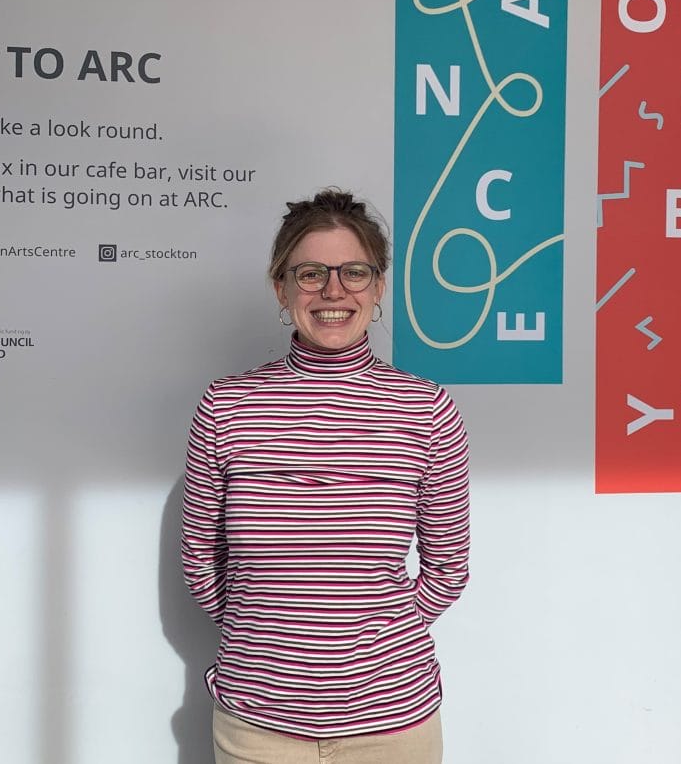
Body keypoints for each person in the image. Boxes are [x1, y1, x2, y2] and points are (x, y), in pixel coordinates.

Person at [182, 189, 470, 763]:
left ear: (378, 286)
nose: (333, 291)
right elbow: (200, 563)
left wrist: (369, 643)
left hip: (393, 726)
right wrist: (270, 635)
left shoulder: (427, 410)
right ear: (281, 288)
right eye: (310, 273)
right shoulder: (227, 407)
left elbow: (447, 569)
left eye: (354, 272)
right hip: (257, 727)